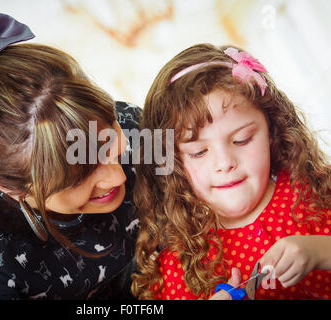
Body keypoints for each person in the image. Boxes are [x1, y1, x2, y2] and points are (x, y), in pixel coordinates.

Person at [0, 12, 142, 300]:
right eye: (80, 176)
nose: (117, 174)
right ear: (12, 187)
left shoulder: (135, 126)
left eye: (110, 142)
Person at [131, 43, 331, 300]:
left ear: (271, 129)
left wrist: (322, 251)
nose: (225, 163)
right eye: (199, 153)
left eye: (242, 140)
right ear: (175, 164)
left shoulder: (321, 191)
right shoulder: (175, 269)